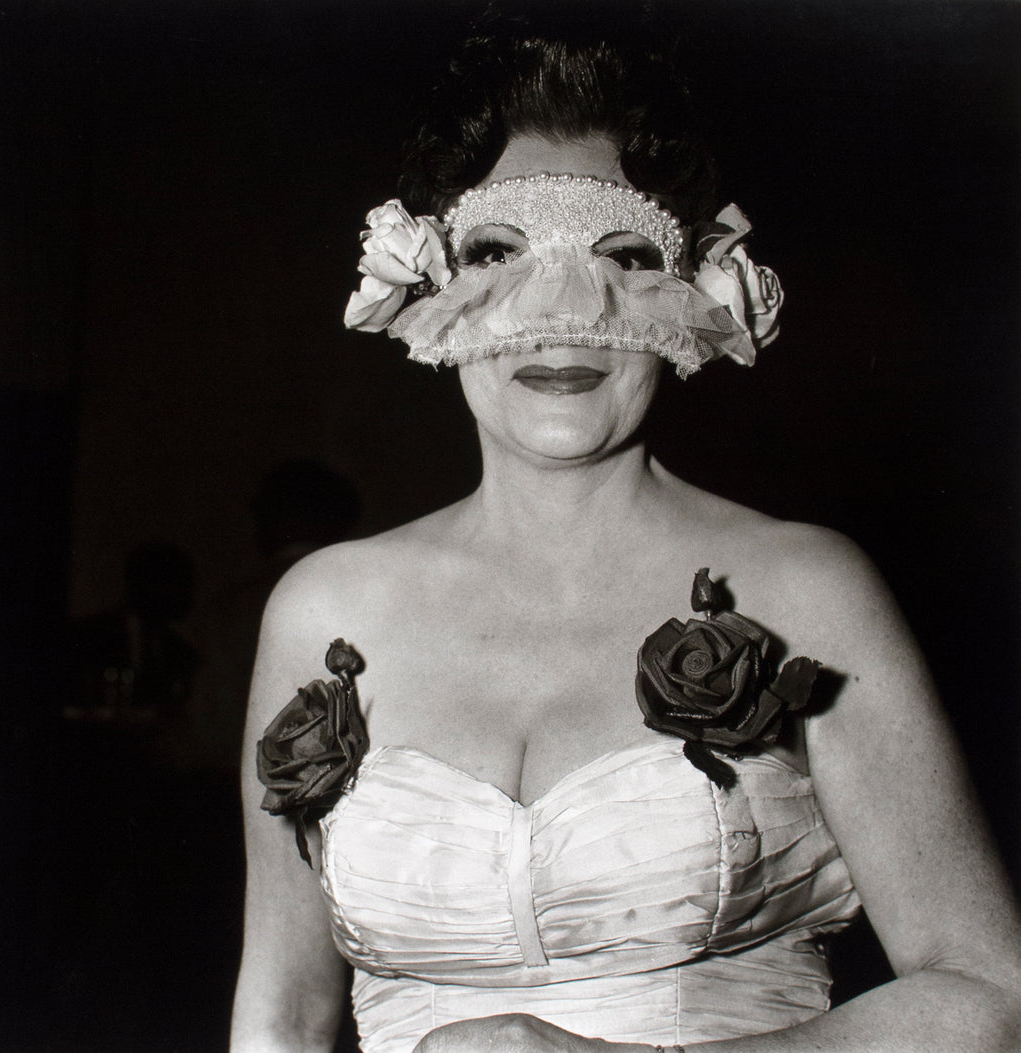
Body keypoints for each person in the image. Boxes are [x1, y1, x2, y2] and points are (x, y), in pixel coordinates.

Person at [231, 10, 1021, 1053]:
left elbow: (991, 995)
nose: (563, 309)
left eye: (624, 256)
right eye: (498, 253)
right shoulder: (324, 611)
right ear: (427, 289)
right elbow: (280, 1012)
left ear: (697, 292)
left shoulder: (806, 589)